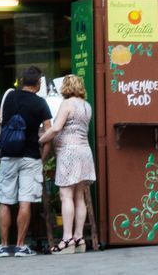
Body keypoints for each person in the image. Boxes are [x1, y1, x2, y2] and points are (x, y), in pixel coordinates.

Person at [0, 66, 53, 258]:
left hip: (8, 154)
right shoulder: (41, 103)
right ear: (38, 83)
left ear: (21, 81)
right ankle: (20, 246)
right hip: (30, 156)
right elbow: (49, 133)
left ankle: (2, 246)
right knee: (25, 200)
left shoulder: (7, 96)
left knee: (5, 200)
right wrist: (42, 157)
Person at [38, 73, 97, 254]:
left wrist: (40, 140)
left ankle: (67, 239)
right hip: (84, 152)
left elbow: (56, 128)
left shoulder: (67, 104)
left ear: (66, 87)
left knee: (65, 196)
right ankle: (79, 238)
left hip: (69, 153)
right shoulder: (86, 106)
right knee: (79, 197)